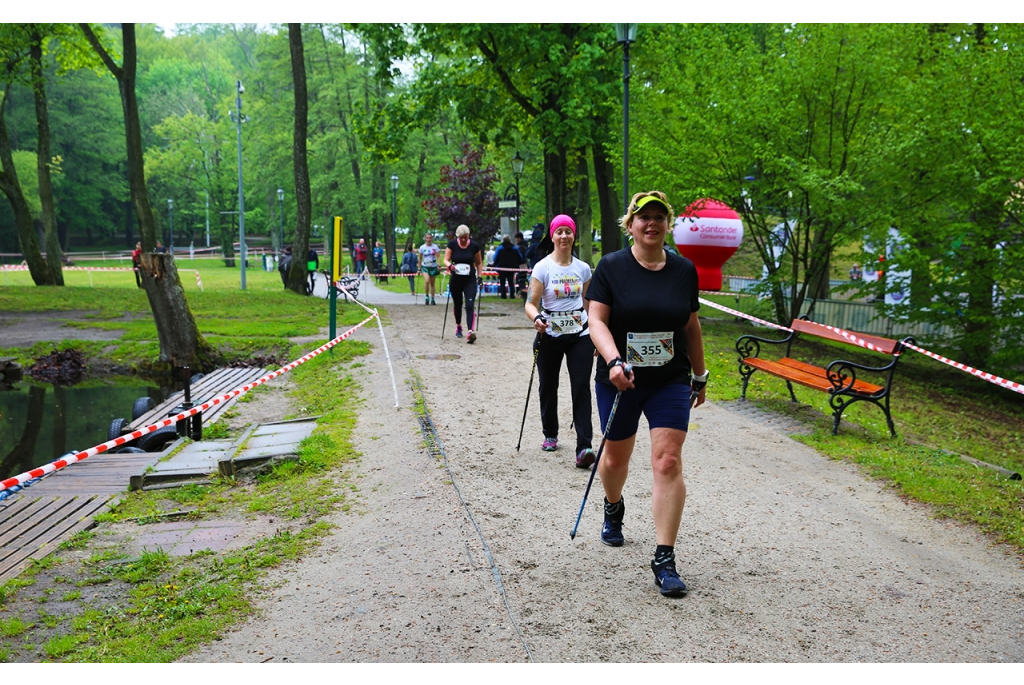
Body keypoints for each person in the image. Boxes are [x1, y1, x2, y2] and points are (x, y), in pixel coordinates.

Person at [585, 190, 708, 598]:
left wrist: (700, 374)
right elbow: (596, 321)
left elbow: (690, 325)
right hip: (621, 378)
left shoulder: (684, 270)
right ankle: (613, 506)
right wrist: (614, 361)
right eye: (643, 217)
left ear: (667, 224)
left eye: (659, 217)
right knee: (614, 459)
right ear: (631, 224)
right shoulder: (612, 267)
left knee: (668, 460)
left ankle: (664, 558)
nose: (651, 223)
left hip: (669, 380)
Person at [524, 214, 595, 468]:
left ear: (574, 235)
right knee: (548, 386)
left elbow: (589, 305)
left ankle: (584, 446)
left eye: (568, 231)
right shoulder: (543, 267)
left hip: (580, 335)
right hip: (550, 333)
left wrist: (595, 333)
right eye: (559, 232)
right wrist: (537, 319)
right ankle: (550, 433)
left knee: (581, 387)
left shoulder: (583, 268)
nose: (564, 236)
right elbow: (531, 304)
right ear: (552, 236)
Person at [444, 224, 483, 344]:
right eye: (462, 238)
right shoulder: (452, 245)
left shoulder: (474, 246)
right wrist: (450, 266)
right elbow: (446, 259)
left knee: (470, 304)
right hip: (456, 279)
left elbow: (479, 262)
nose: (464, 240)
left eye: (466, 237)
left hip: (469, 280)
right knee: (458, 304)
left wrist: (480, 276)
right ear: (458, 236)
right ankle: (458, 326)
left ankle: (470, 332)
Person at [494, 235, 522, 299]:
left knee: (502, 283)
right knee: (511, 282)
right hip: (511, 268)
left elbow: (495, 258)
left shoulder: (499, 248)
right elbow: (520, 257)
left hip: (501, 268)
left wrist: (496, 264)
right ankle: (512, 295)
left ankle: (503, 296)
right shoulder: (515, 248)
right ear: (510, 240)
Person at [418, 233, 441, 305]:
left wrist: (439, 265)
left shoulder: (435, 247)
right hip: (425, 266)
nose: (429, 239)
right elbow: (420, 258)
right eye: (427, 238)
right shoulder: (422, 247)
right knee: (427, 281)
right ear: (425, 239)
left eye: (430, 238)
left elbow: (438, 256)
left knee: (432, 284)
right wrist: (419, 268)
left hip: (433, 266)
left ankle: (433, 298)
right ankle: (427, 296)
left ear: (432, 239)